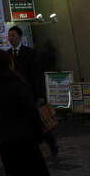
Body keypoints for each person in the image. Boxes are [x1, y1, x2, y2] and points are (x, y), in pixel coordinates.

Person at [0, 49, 53, 176]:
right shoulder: (16, 83)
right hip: (24, 135)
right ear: (9, 63)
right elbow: (30, 111)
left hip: (4, 136)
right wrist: (39, 133)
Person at [8, 26, 59, 157]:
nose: (10, 38)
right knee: (24, 123)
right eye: (9, 36)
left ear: (20, 37)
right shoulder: (7, 55)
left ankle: (51, 143)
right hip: (16, 96)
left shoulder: (30, 53)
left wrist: (40, 95)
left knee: (40, 121)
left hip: (31, 94)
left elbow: (37, 75)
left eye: (13, 35)